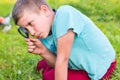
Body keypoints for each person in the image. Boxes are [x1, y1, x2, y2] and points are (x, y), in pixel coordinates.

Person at [12, 0, 116, 80]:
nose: (32, 32)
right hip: (75, 62)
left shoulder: (65, 14)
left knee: (49, 76)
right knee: (41, 66)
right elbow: (59, 61)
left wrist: (58, 67)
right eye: (25, 29)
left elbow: (63, 60)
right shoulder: (44, 32)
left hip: (98, 67)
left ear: (44, 10)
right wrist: (43, 51)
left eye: (31, 23)